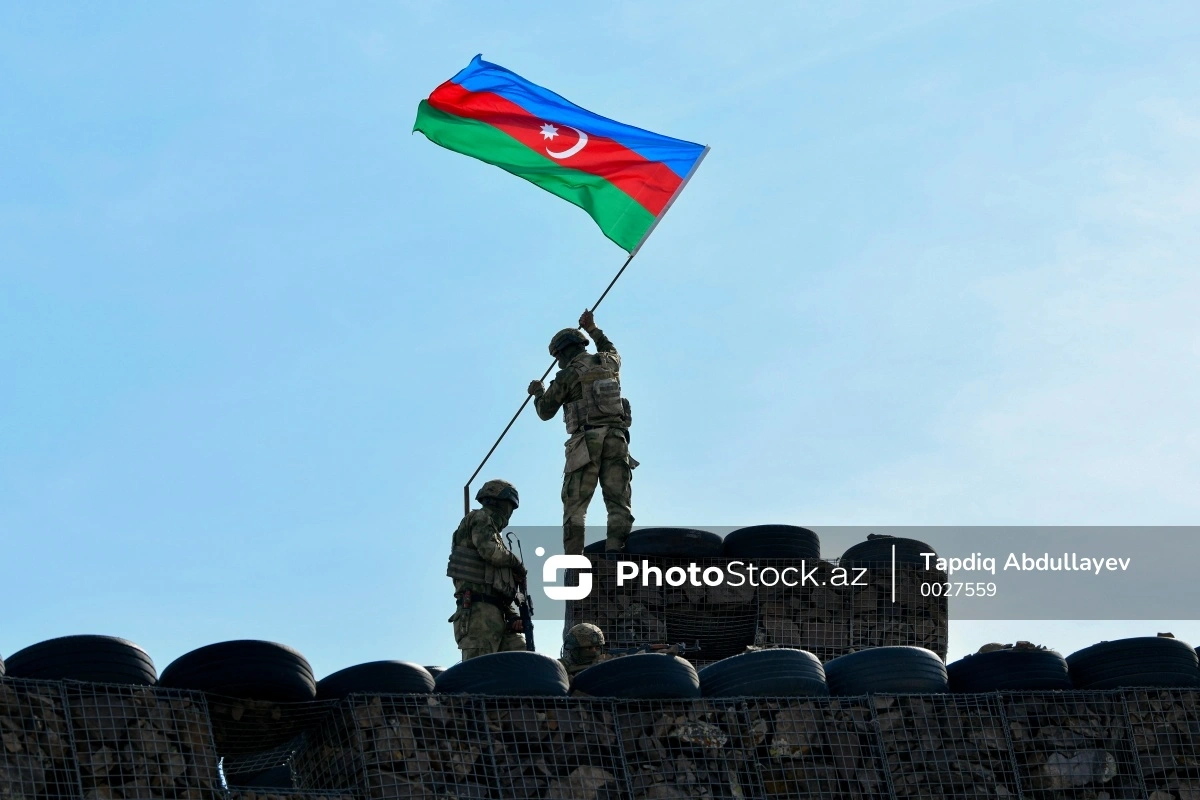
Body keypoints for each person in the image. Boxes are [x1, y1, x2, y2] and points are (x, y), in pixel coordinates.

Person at [528, 309, 637, 555]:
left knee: (575, 508)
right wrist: (593, 328)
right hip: (616, 440)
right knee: (618, 502)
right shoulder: (609, 362)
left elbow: (545, 411)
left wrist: (537, 392)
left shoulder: (567, 375)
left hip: (586, 444)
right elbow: (611, 348)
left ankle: (574, 565)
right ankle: (615, 554)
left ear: (563, 352)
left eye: (558, 356)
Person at [445, 479, 528, 661]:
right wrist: (516, 564)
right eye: (509, 507)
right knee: (479, 670)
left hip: (497, 614)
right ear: (501, 503)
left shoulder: (495, 536)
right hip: (476, 612)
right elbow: (490, 551)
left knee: (523, 659)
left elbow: (496, 589)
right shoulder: (480, 518)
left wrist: (514, 617)